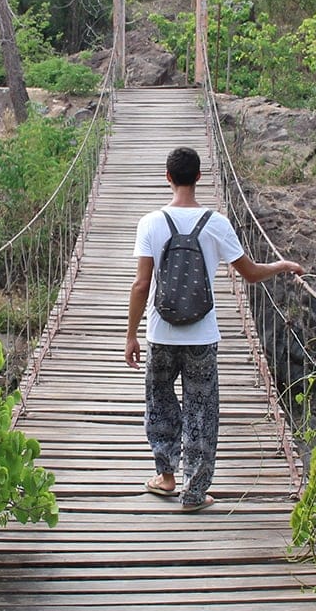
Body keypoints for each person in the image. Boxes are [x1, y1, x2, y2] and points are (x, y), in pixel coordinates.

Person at [124, 146, 304, 511]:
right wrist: (282, 266)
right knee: (202, 410)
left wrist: (130, 334)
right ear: (200, 178)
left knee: (159, 403)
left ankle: (166, 476)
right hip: (202, 337)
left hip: (160, 334)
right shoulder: (217, 223)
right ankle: (194, 492)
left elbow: (142, 285)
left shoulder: (151, 222)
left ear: (168, 177)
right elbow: (251, 274)